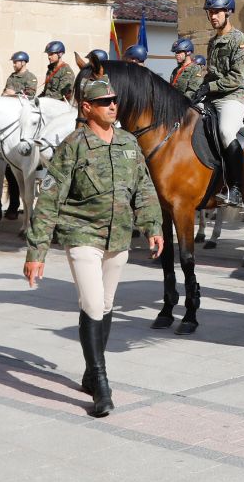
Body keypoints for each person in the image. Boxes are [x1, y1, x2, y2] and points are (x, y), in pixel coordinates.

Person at [23, 77, 163, 419]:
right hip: (81, 233)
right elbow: (50, 198)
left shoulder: (129, 142)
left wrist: (152, 226)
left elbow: (143, 187)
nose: (113, 105)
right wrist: (37, 251)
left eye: (114, 100)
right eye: (104, 102)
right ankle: (101, 384)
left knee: (106, 303)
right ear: (87, 108)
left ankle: (89, 370)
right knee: (91, 303)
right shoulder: (73, 145)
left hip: (118, 238)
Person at [202, 0, 244, 207]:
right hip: (212, 97)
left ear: (228, 12)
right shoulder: (212, 42)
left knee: (225, 131)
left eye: (217, 12)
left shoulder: (241, 41)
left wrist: (209, 86)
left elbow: (237, 78)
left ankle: (236, 188)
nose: (213, 16)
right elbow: (211, 72)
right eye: (210, 12)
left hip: (232, 97)